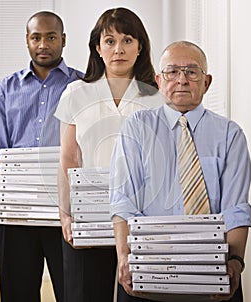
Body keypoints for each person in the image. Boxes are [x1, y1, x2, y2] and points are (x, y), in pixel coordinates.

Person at [110, 40, 251, 302]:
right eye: (172, 72)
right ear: (159, 80)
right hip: (147, 272)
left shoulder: (230, 135)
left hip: (212, 276)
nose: (182, 80)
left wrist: (235, 262)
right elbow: (123, 200)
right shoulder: (137, 127)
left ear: (206, 82)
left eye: (191, 71)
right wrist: (124, 258)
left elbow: (236, 209)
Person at [54, 7, 164, 302]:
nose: (119, 49)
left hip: (142, 216)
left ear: (140, 46)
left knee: (139, 295)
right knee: (83, 294)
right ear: (97, 47)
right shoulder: (76, 92)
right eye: (110, 41)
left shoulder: (157, 97)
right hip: (89, 215)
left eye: (128, 40)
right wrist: (66, 214)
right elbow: (68, 158)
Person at [0, 11, 83, 302]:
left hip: (65, 208)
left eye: (51, 37)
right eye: (36, 37)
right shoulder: (4, 89)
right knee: (17, 290)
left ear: (63, 40)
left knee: (73, 289)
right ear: (26, 41)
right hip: (18, 207)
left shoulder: (81, 86)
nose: (43, 44)